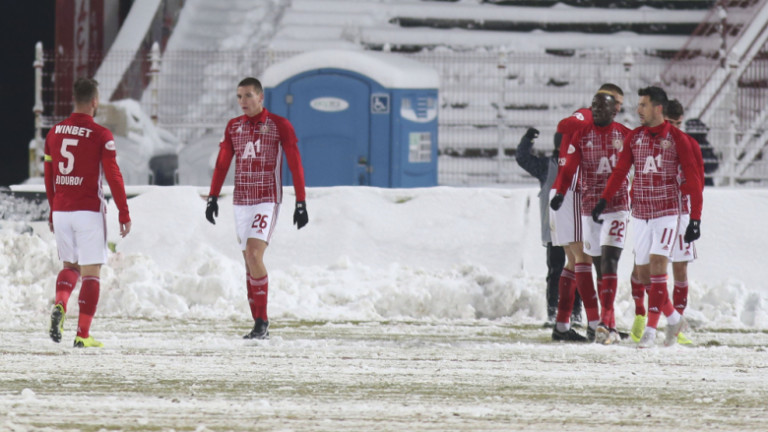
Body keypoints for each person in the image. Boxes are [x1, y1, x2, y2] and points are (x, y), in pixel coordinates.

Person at [594, 86, 703, 348]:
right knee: (643, 276)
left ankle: (651, 332)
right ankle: (674, 318)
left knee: (658, 267)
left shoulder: (679, 140)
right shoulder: (635, 138)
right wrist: (604, 199)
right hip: (640, 213)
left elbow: (695, 180)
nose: (638, 110)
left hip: (668, 213)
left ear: (658, 108)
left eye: (643, 105)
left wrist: (696, 219)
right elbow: (620, 171)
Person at [205, 77, 308, 340]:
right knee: (248, 264)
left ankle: (262, 322)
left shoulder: (279, 125)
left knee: (253, 254)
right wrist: (213, 197)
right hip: (241, 202)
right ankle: (257, 324)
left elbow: (295, 163)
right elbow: (222, 163)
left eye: (248, 96)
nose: (243, 102)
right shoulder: (233, 127)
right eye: (239, 97)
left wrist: (300, 201)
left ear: (261, 98)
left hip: (266, 199)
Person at [44, 77, 132, 348]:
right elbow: (114, 176)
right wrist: (124, 212)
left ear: (74, 99)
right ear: (95, 101)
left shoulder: (54, 133)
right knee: (91, 272)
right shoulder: (101, 135)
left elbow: (48, 175)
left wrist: (52, 207)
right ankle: (82, 334)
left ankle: (60, 302)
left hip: (61, 209)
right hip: (88, 210)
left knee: (70, 266)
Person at [551, 92, 631, 344]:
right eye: (617, 100)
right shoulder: (585, 119)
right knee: (585, 259)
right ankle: (597, 324)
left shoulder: (619, 131)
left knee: (574, 261)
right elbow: (563, 125)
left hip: (579, 194)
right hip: (576, 193)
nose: (619, 106)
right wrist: (588, 123)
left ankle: (564, 324)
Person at [628, 99, 704, 345]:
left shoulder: (687, 144)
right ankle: (647, 314)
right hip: (650, 212)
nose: (671, 127)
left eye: (675, 123)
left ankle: (673, 325)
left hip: (679, 211)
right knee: (642, 270)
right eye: (668, 122)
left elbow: (697, 181)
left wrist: (695, 217)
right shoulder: (649, 141)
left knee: (679, 269)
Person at [515, 127, 583, 328]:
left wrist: (527, 139)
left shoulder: (565, 166)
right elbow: (523, 158)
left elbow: (523, 159)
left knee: (564, 271)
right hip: (560, 228)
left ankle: (572, 312)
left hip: (569, 227)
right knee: (563, 270)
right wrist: (528, 140)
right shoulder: (549, 166)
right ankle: (559, 313)